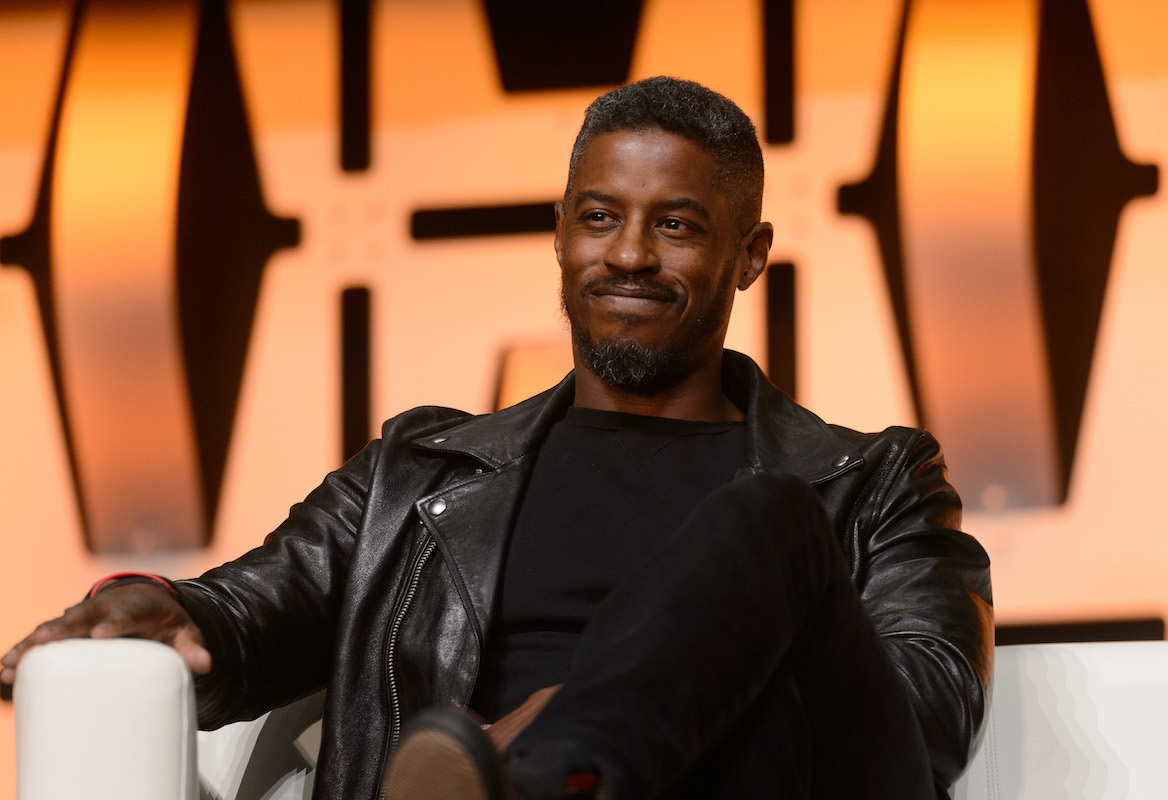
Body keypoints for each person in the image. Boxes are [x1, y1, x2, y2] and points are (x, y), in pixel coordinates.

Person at [1, 76, 992, 799]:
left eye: (678, 226)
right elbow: (255, 608)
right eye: (600, 217)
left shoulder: (870, 479)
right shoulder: (416, 473)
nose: (630, 253)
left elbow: (930, 716)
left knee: (773, 522)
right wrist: (158, 604)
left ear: (752, 254)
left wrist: (571, 712)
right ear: (559, 233)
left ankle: (540, 781)